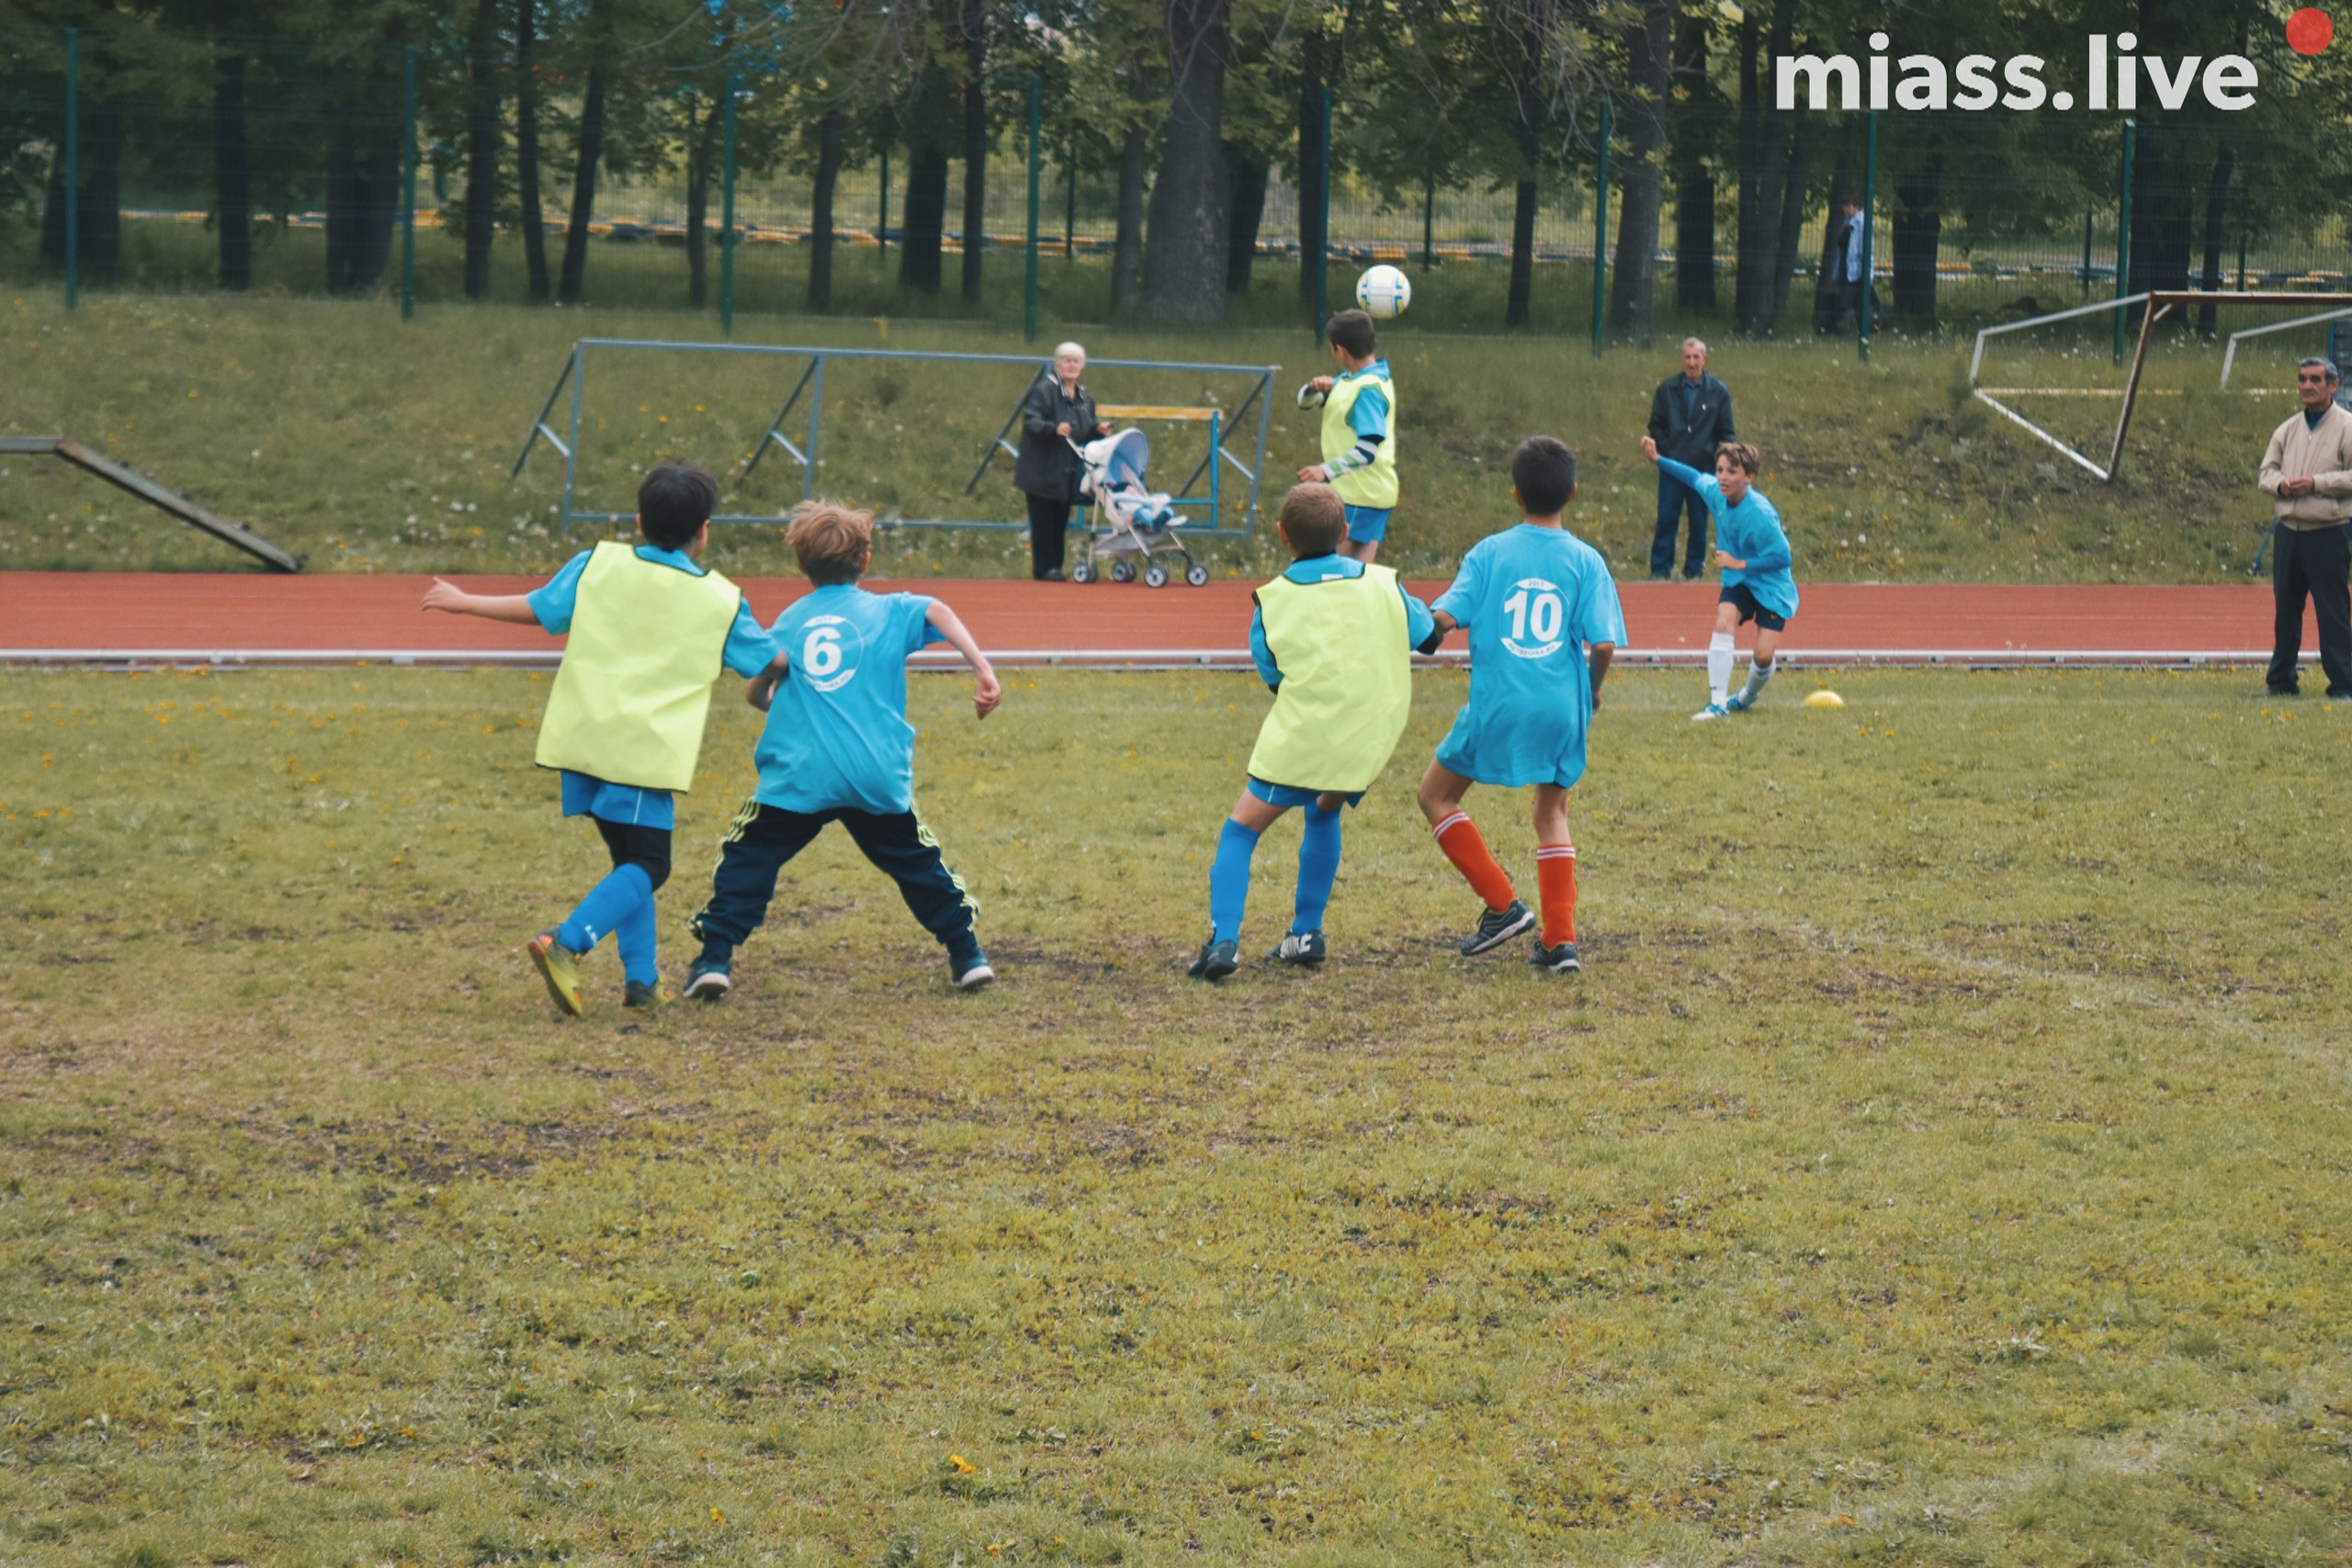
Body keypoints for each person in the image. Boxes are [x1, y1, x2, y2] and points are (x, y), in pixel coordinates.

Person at [420, 462, 780, 1016]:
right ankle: (566, 943)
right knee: (650, 866)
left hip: (584, 739)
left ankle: (642, 982)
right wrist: (792, 654)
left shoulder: (597, 564)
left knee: (630, 863)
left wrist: (466, 601)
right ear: (704, 529)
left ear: (638, 521)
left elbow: (541, 609)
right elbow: (766, 659)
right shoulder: (720, 599)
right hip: (640, 753)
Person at [684, 502, 1003, 998]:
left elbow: (759, 685)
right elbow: (937, 609)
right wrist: (983, 669)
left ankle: (714, 960)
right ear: (866, 560)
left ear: (800, 565)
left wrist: (775, 697)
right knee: (916, 863)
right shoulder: (888, 610)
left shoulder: (791, 620)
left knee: (749, 857)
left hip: (800, 776)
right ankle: (967, 954)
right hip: (872, 774)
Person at [1187, 482, 1438, 982]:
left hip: (1307, 733)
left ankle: (1223, 941)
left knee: (1240, 830)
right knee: (1323, 809)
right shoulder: (1383, 582)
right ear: (1346, 532)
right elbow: (1427, 635)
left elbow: (1275, 676)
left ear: (1282, 535)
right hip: (1368, 738)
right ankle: (1306, 932)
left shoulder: (1273, 600)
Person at [1417, 436, 1623, 974]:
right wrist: (1592, 688)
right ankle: (1560, 941)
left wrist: (1413, 619)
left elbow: (1443, 618)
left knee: (1436, 796)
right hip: (1561, 706)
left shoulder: (1488, 553)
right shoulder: (1587, 560)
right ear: (1573, 493)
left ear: (1515, 494)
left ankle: (1503, 905)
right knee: (1551, 812)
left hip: (1499, 703)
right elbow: (1602, 644)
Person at [1639, 436, 1797, 721]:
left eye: (1732, 472)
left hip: (1771, 585)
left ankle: (1746, 697)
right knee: (1724, 621)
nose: (1723, 477)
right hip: (1739, 581)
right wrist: (1658, 459)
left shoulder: (1761, 514)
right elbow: (1691, 476)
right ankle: (1717, 703)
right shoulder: (1715, 491)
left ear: (1749, 477)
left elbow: (1784, 557)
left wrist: (1739, 562)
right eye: (1720, 469)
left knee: (1762, 656)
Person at [2256, 355, 2352, 698]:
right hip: (2289, 532)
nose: (2307, 386)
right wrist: (2281, 486)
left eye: (2315, 379)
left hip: (2327, 531)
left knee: (2333, 612)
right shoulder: (2287, 428)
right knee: (2285, 611)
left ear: (2333, 386)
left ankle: (2343, 684)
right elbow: (2266, 472)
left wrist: (2316, 483)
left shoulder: (2346, 426)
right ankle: (2281, 681)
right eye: (2302, 380)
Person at [1295, 309, 1397, 564]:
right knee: (1355, 578)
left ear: (1339, 350)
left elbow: (1367, 450)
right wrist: (1312, 388)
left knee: (1330, 573)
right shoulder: (1352, 380)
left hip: (1361, 495)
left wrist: (1325, 471)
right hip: (1365, 493)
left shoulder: (1367, 391)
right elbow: (1306, 403)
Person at [1013, 341, 1112, 581]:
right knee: (1044, 522)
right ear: (1057, 364)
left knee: (1059, 521)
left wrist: (1098, 429)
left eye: (1076, 361)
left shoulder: (1084, 397)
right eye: (1066, 360)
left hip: (1065, 472)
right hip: (1041, 470)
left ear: (1083, 365)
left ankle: (1054, 568)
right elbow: (1030, 421)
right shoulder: (1044, 390)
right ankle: (1045, 569)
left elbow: (1084, 432)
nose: (1071, 365)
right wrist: (1053, 428)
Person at [1645, 338, 1737, 581]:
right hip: (1672, 467)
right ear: (1682, 360)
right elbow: (1656, 425)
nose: (1692, 362)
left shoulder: (1718, 392)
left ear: (1704, 359)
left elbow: (1726, 433)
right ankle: (1660, 569)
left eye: (1696, 357)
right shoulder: (1667, 390)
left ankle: (1694, 570)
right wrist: (1667, 452)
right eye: (1687, 357)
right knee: (1666, 518)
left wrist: (1720, 463)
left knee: (1699, 522)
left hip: (1704, 470)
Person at [1818, 197, 1864, 334]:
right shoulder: (1846, 224)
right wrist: (1835, 273)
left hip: (1855, 271)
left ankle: (1848, 329)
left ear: (1856, 207)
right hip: (1843, 268)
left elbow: (1863, 250)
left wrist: (1867, 272)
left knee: (1847, 300)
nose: (1846, 209)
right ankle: (1837, 328)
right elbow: (1840, 251)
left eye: (1848, 206)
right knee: (1838, 299)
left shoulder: (1862, 224)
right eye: (1845, 206)